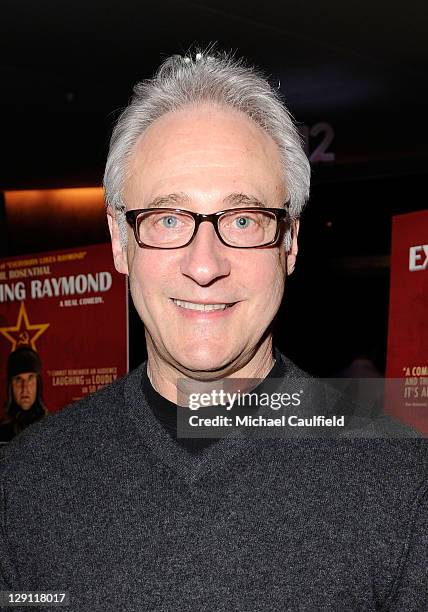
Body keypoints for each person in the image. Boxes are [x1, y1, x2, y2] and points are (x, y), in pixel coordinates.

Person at [0, 50, 427, 611]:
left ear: (290, 243)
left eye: (244, 220)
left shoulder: (403, 483)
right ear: (119, 241)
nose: (205, 265)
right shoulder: (25, 482)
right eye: (169, 219)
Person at [0, 346, 48, 442]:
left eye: (30, 378)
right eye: (18, 379)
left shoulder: (52, 430)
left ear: (38, 384)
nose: (24, 388)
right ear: (10, 386)